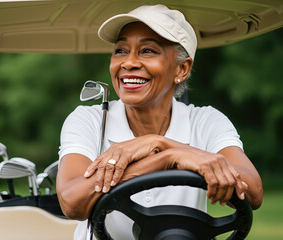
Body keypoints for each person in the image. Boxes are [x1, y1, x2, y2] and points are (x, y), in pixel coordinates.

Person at [56, 4, 263, 240]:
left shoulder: (206, 120)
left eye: (147, 51)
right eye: (121, 50)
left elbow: (253, 191)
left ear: (182, 69)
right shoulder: (88, 119)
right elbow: (72, 203)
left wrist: (159, 143)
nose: (128, 62)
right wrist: (167, 157)